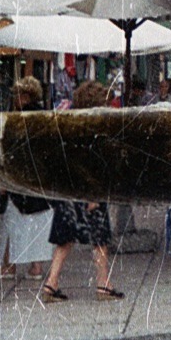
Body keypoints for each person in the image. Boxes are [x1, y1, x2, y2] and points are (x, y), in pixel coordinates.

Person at [40, 81, 123, 303]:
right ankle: (103, 285)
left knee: (64, 239)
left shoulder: (70, 125)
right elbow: (93, 164)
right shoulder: (94, 128)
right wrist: (94, 195)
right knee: (100, 239)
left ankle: (51, 284)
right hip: (88, 191)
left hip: (68, 191)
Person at [0, 75, 52, 283]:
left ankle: (8, 266)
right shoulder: (44, 116)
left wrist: (3, 180)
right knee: (38, 222)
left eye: (18, 94)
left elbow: (10, 150)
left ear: (26, 95)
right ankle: (36, 267)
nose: (15, 98)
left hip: (19, 177)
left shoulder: (18, 118)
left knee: (13, 220)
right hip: (40, 179)